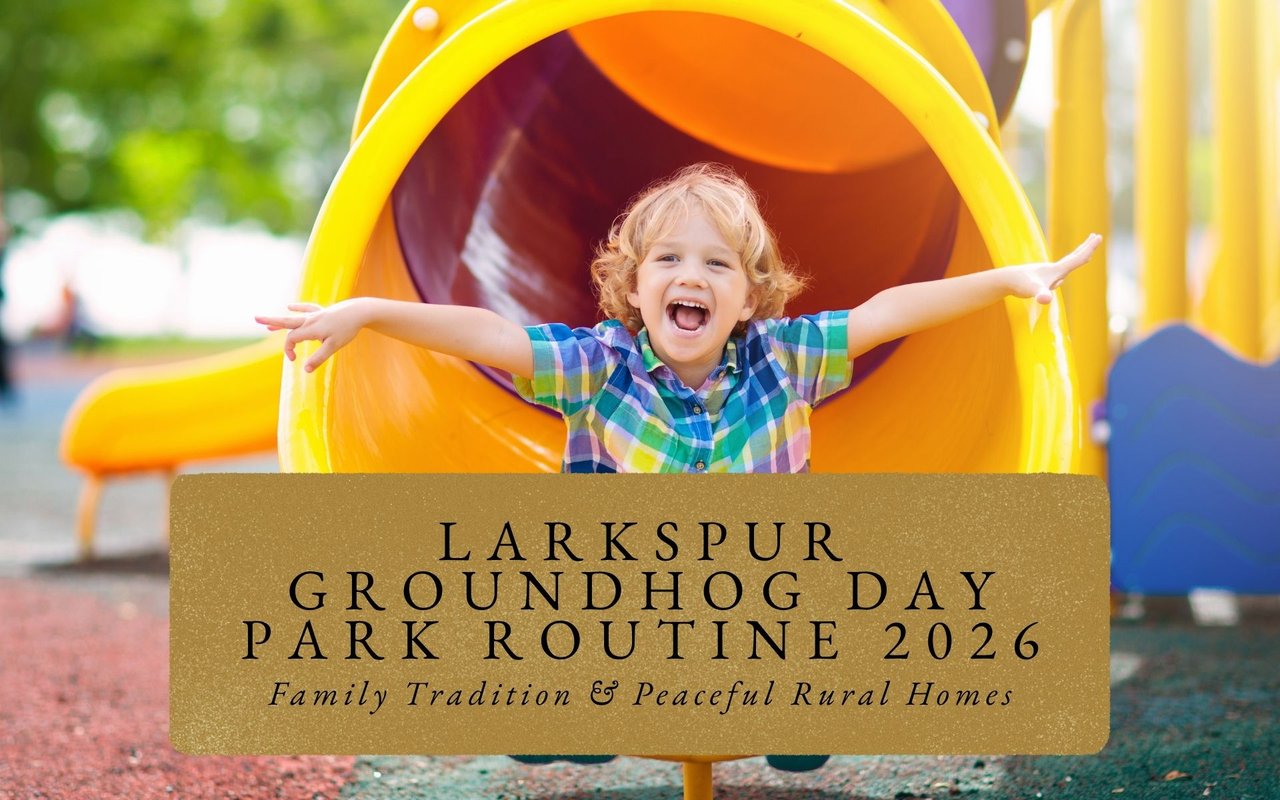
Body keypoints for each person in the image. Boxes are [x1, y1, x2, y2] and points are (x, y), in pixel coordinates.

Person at [257, 163, 1100, 473]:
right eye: (666, 261)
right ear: (634, 287)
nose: (688, 277)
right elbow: (489, 335)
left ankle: (795, 697)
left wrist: (1005, 279)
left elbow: (888, 311)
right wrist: (366, 310)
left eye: (715, 264)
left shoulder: (784, 356)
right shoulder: (600, 363)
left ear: (751, 295)